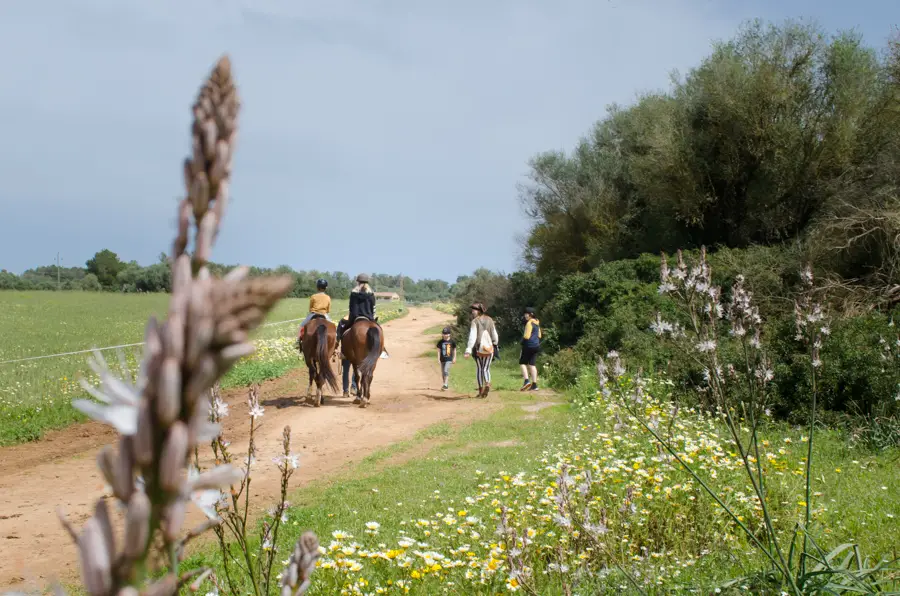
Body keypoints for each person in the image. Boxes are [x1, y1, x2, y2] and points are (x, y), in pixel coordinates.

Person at [334, 274, 377, 355]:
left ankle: (338, 344)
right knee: (378, 329)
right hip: (369, 317)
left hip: (355, 317)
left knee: (341, 324)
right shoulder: (371, 294)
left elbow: (351, 307)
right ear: (367, 283)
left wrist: (351, 317)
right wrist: (373, 317)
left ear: (358, 282)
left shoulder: (354, 293)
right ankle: (381, 349)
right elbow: (373, 308)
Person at [463, 303, 499, 398]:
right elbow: (494, 334)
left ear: (478, 311)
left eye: (474, 310)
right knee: (486, 368)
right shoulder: (490, 320)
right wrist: (495, 343)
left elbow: (473, 336)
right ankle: (487, 383)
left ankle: (480, 390)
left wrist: (468, 349)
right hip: (489, 348)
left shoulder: (475, 321)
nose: (472, 311)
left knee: (479, 368)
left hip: (478, 349)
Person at [520, 307, 542, 391]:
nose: (525, 315)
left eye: (526, 314)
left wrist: (522, 341)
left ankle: (526, 381)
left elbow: (526, 336)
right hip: (536, 346)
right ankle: (534, 385)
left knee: (522, 363)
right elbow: (539, 335)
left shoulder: (529, 323)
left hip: (528, 346)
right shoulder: (537, 323)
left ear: (531, 315)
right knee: (532, 365)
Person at [436, 326, 457, 391]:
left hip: (449, 359)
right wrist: (438, 359)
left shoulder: (452, 341)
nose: (445, 335)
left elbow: (454, 350)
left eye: (446, 334)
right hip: (442, 359)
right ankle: (445, 384)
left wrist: (454, 358)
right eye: (444, 334)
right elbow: (439, 351)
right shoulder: (440, 342)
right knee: (443, 373)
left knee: (446, 371)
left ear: (449, 334)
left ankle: (445, 384)